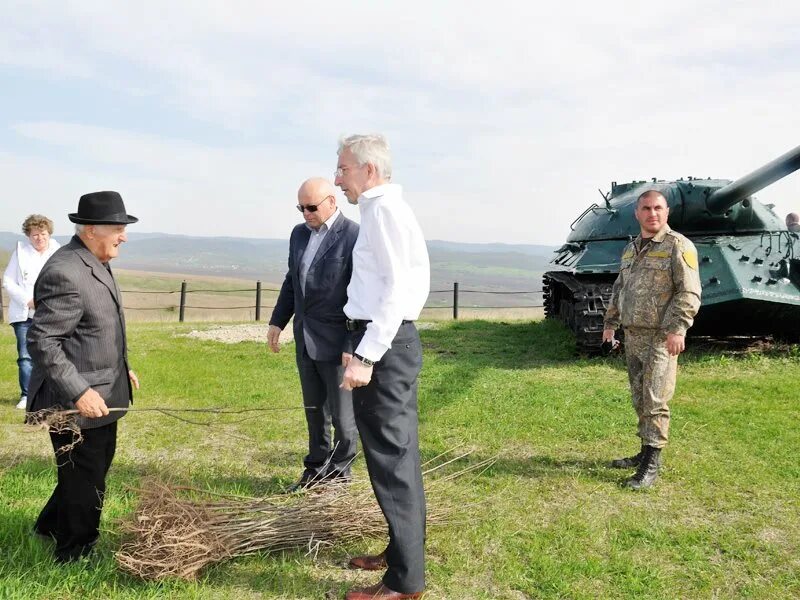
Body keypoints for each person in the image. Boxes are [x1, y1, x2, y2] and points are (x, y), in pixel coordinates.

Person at [335, 134, 430, 600]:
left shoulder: (384, 211)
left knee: (392, 463)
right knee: (394, 458)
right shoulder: (378, 209)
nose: (338, 179)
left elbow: (396, 290)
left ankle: (403, 582)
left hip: (385, 346)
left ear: (368, 171)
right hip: (379, 339)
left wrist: (368, 353)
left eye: (343, 169)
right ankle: (399, 555)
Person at [26, 191, 140, 563]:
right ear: (91, 230)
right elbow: (43, 341)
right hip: (75, 402)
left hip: (104, 390)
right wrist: (78, 391)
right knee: (85, 477)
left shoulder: (95, 259)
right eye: (118, 228)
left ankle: (48, 525)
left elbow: (91, 331)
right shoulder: (65, 271)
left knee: (89, 467)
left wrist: (122, 368)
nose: (123, 235)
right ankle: (74, 552)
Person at [602, 190, 701, 490]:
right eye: (646, 208)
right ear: (637, 213)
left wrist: (678, 329)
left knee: (656, 399)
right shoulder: (631, 249)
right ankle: (644, 450)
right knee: (640, 398)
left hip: (661, 337)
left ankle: (652, 465)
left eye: (658, 208)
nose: (652, 213)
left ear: (667, 212)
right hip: (633, 335)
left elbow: (689, 292)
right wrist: (610, 323)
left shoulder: (678, 246)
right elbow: (621, 287)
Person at [268, 177, 359, 491]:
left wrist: (351, 343)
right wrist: (277, 321)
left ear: (332, 202)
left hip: (338, 344)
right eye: (300, 208)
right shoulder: (298, 235)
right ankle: (315, 471)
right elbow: (292, 281)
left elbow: (360, 296)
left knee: (344, 420)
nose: (305, 214)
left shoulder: (354, 236)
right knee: (314, 411)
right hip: (305, 339)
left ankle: (339, 476)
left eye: (311, 207)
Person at [2, 215, 60, 409]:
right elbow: (8, 282)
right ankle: (27, 395)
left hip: (51, 313)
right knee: (26, 356)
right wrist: (27, 301)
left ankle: (54, 393)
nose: (39, 238)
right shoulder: (20, 253)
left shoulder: (58, 252)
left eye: (42, 233)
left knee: (54, 354)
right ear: (28, 235)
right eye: (34, 234)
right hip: (25, 314)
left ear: (49, 233)